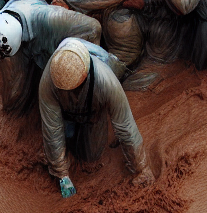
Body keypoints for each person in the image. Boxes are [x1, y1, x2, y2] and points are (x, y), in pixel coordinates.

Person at [39, 38, 154, 198]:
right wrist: (62, 175)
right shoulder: (49, 80)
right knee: (65, 136)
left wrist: (142, 169)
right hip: (65, 106)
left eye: (75, 89)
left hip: (95, 97)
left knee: (92, 155)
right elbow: (52, 130)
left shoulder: (107, 81)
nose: (72, 93)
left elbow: (126, 126)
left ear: (85, 75)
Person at [0, 0, 102, 115]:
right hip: (31, 36)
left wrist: (80, 57)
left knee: (64, 86)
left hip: (50, 34)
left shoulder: (52, 19)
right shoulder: (2, 21)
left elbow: (93, 27)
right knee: (16, 90)